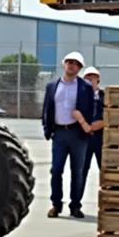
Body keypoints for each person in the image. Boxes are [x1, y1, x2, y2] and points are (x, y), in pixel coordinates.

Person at [41, 51, 95, 219]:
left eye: (76, 63)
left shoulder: (85, 87)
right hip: (59, 133)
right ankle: (56, 205)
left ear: (79, 68)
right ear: (63, 64)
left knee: (77, 172)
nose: (71, 65)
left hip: (77, 135)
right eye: (69, 62)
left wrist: (86, 126)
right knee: (56, 170)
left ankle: (75, 206)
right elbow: (46, 109)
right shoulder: (52, 86)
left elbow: (91, 111)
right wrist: (47, 129)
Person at [80, 66, 105, 190]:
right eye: (87, 78)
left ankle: (109, 199)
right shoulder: (79, 97)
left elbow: (111, 114)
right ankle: (75, 205)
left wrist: (100, 124)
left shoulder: (105, 97)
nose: (90, 80)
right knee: (81, 171)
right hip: (84, 140)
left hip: (102, 140)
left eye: (92, 77)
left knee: (106, 169)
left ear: (98, 80)